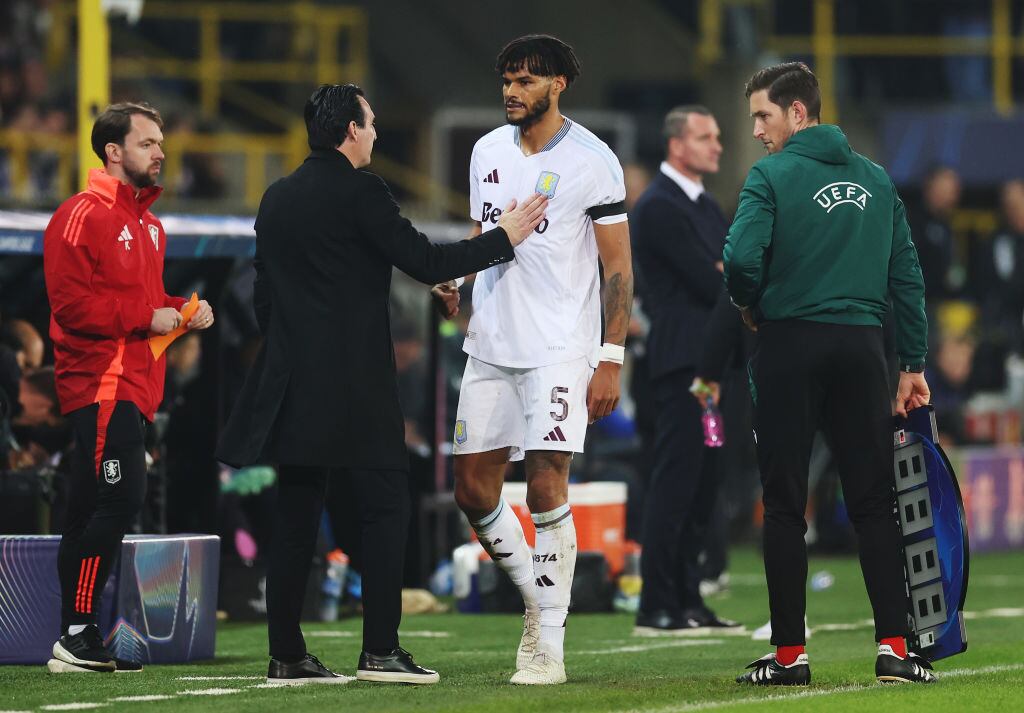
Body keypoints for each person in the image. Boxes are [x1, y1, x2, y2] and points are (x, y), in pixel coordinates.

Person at [215, 83, 547, 686]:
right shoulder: (360, 190)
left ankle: (287, 654)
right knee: (386, 506)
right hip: (355, 384)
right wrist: (506, 238)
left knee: (296, 514)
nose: (375, 135)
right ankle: (380, 650)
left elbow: (263, 296)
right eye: (369, 125)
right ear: (348, 130)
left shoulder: (277, 197)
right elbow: (421, 260)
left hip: (292, 381)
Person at [432, 35, 633, 685]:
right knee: (472, 490)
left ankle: (547, 639)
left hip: (558, 348)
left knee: (547, 485)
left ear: (559, 85)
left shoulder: (593, 162)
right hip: (490, 341)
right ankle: (536, 597)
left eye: (527, 80)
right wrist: (457, 280)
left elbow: (618, 268)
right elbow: (481, 228)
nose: (512, 90)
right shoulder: (486, 150)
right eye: (508, 80)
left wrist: (610, 356)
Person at [724, 62, 933, 685]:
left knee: (786, 506)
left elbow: (739, 258)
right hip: (864, 351)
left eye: (763, 116)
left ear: (796, 113)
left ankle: (790, 657)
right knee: (873, 503)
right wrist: (913, 363)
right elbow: (908, 279)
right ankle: (895, 649)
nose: (758, 130)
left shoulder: (770, 175)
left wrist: (750, 303)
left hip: (790, 345)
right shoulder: (875, 178)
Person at [42, 101, 215, 674]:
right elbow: (70, 308)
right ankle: (76, 632)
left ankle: (78, 633)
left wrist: (183, 309)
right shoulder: (79, 213)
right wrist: (149, 316)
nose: (161, 152)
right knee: (120, 500)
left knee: (92, 507)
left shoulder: (149, 223)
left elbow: (144, 302)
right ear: (113, 151)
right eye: (148, 143)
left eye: (160, 142)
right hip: (100, 383)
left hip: (136, 385)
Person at [629, 105, 741, 635]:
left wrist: (728, 272)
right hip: (683, 364)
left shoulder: (703, 205)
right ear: (677, 145)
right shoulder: (658, 206)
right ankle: (657, 601)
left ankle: (689, 596)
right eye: (706, 136)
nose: (717, 145)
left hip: (712, 364)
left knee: (704, 481)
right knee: (676, 479)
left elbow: (731, 269)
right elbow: (714, 280)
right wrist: (727, 272)